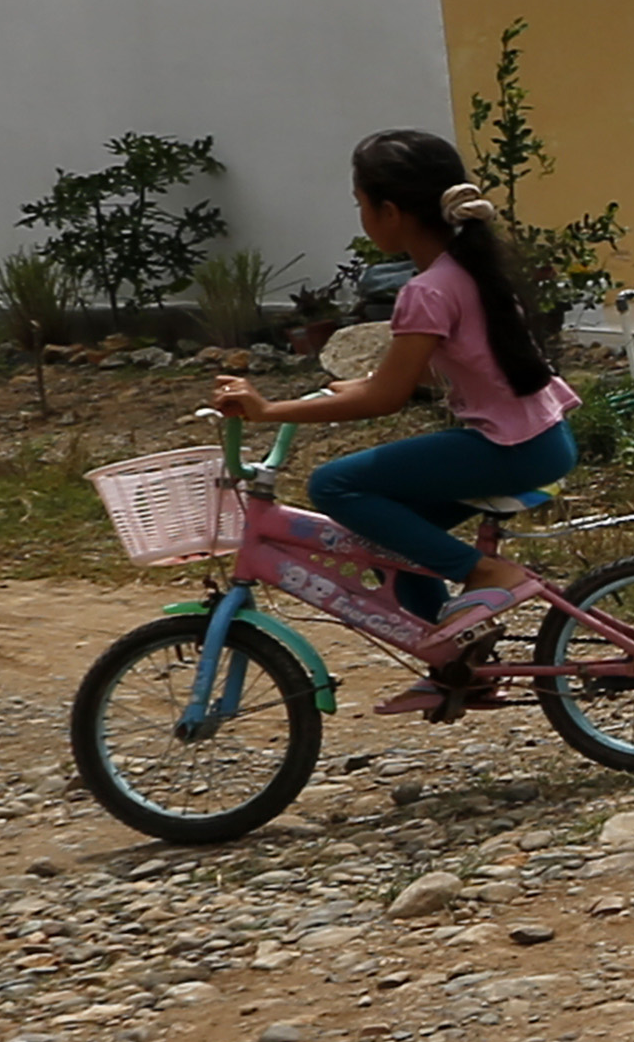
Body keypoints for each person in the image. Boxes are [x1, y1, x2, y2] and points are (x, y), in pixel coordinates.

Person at [210, 129, 580, 707]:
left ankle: (487, 574)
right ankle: (455, 657)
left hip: (513, 447)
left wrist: (266, 409)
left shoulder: (427, 291)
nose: (361, 218)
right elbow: (448, 369)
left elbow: (385, 398)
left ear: (391, 211)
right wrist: (363, 384)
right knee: (396, 534)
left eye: (361, 205)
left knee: (335, 483)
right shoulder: (467, 270)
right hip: (538, 438)